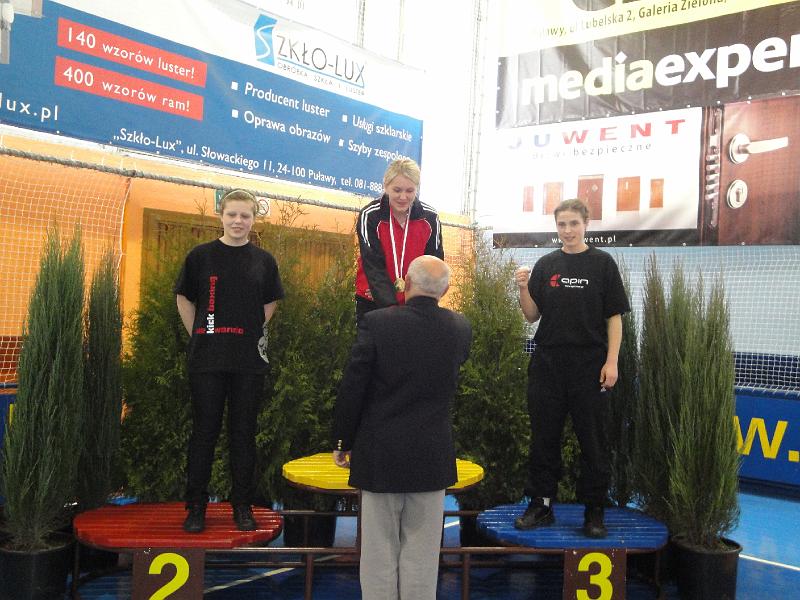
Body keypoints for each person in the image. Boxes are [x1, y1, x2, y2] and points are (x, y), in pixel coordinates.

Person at [333, 255, 472, 600]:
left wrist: (342, 440)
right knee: (423, 555)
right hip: (432, 456)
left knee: (379, 551)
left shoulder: (376, 323)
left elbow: (353, 387)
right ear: (445, 291)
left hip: (380, 454)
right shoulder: (460, 328)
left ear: (406, 283)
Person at [513, 199, 630, 538]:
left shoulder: (603, 264)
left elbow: (614, 318)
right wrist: (522, 288)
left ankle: (594, 510)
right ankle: (541, 504)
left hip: (589, 366)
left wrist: (612, 361)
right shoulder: (547, 264)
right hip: (547, 365)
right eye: (562, 224)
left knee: (593, 442)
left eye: (573, 224)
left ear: (586, 224)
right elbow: (531, 315)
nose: (567, 230)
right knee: (543, 439)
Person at [175, 189, 284, 533]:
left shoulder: (264, 261)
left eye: (245, 216)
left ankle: (242, 506)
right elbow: (184, 298)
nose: (238, 221)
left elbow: (269, 303)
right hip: (207, 360)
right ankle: (196, 507)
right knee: (204, 433)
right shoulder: (200, 256)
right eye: (232, 214)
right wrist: (200, 333)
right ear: (221, 216)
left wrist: (251, 332)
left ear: (254, 220)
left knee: (243, 435)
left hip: (248, 362)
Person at [354, 158, 444, 323]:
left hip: (414, 305)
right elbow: (373, 264)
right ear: (386, 186)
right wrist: (388, 304)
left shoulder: (430, 218)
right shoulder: (370, 215)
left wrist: (422, 302)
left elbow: (434, 264)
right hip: (374, 301)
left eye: (410, 190)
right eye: (397, 190)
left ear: (417, 188)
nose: (403, 197)